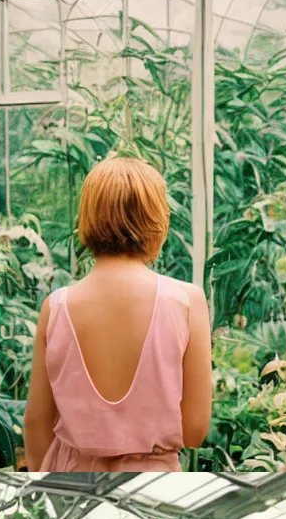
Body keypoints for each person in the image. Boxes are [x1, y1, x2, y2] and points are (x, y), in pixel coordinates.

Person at [24, 155, 213, 471]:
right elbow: (194, 430)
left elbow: (36, 423)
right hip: (153, 487)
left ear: (88, 217)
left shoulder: (56, 307)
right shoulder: (186, 301)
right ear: (157, 221)